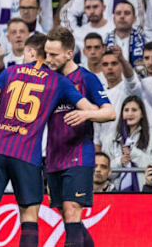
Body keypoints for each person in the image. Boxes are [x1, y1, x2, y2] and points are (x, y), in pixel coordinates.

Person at [0, 33, 100, 247]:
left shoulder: (10, 72)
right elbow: (91, 109)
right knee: (29, 217)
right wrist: (90, 113)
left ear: (32, 52)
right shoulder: (59, 81)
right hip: (27, 155)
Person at [43, 27, 115, 247]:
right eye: (46, 53)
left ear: (68, 53)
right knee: (66, 215)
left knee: (72, 210)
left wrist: (87, 113)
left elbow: (110, 112)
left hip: (79, 155)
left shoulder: (86, 78)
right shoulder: (48, 79)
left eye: (53, 55)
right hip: (54, 156)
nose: (49, 59)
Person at [103, 95, 152, 192]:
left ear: (142, 114)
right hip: (115, 193)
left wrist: (134, 153)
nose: (130, 113)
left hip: (144, 190)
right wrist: (119, 162)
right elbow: (104, 171)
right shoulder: (111, 138)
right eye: (126, 110)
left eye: (134, 110)